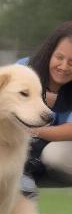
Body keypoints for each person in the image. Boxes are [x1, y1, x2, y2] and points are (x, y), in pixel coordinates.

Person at [18, 21, 72, 197]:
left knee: (53, 154)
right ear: (50, 52)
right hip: (18, 148)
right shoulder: (24, 69)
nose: (63, 66)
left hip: (58, 156)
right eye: (59, 57)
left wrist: (33, 130)